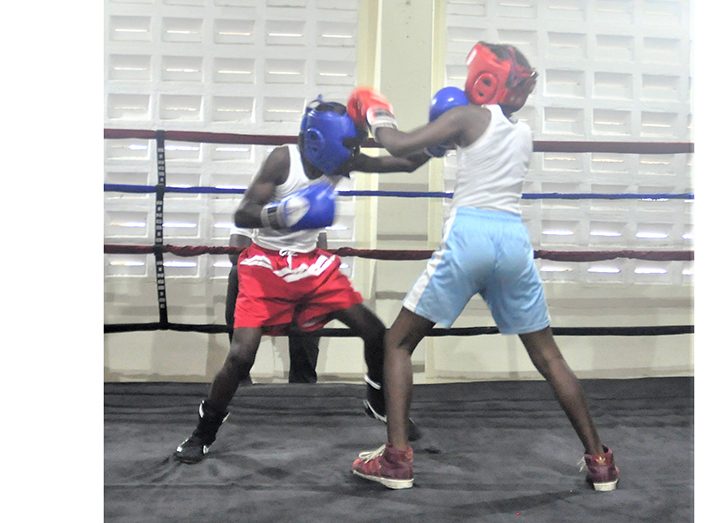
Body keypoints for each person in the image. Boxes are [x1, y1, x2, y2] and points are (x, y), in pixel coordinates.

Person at [347, 42, 620, 491]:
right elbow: (413, 159)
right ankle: (600, 460)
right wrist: (358, 162)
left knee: (396, 342)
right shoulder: (521, 131)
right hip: (512, 240)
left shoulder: (468, 117)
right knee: (548, 356)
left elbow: (397, 143)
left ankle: (396, 460)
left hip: (471, 236)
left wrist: (375, 109)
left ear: (483, 80)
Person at [174, 97, 426, 463]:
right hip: (265, 266)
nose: (348, 155)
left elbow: (403, 163)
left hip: (312, 266)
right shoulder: (283, 160)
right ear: (316, 141)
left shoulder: (341, 159)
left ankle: (377, 401)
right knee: (241, 355)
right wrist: (281, 214)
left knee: (375, 332)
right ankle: (203, 431)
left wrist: (436, 140)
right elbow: (244, 214)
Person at [225, 227, 322, 384]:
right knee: (237, 273)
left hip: (297, 276)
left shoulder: (308, 207)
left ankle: (303, 381)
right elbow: (235, 254)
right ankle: (239, 375)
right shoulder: (252, 207)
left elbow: (320, 253)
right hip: (260, 278)